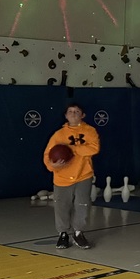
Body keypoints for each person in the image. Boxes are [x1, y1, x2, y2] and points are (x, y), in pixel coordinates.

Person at [43, 102, 100, 248]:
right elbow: (47, 155)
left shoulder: (90, 131)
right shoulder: (59, 135)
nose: (73, 114)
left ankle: (78, 233)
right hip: (62, 177)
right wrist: (52, 165)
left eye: (77, 111)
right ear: (66, 115)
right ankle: (63, 234)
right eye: (70, 111)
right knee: (62, 206)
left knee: (82, 205)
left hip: (83, 175)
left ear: (83, 115)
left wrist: (71, 149)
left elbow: (93, 148)